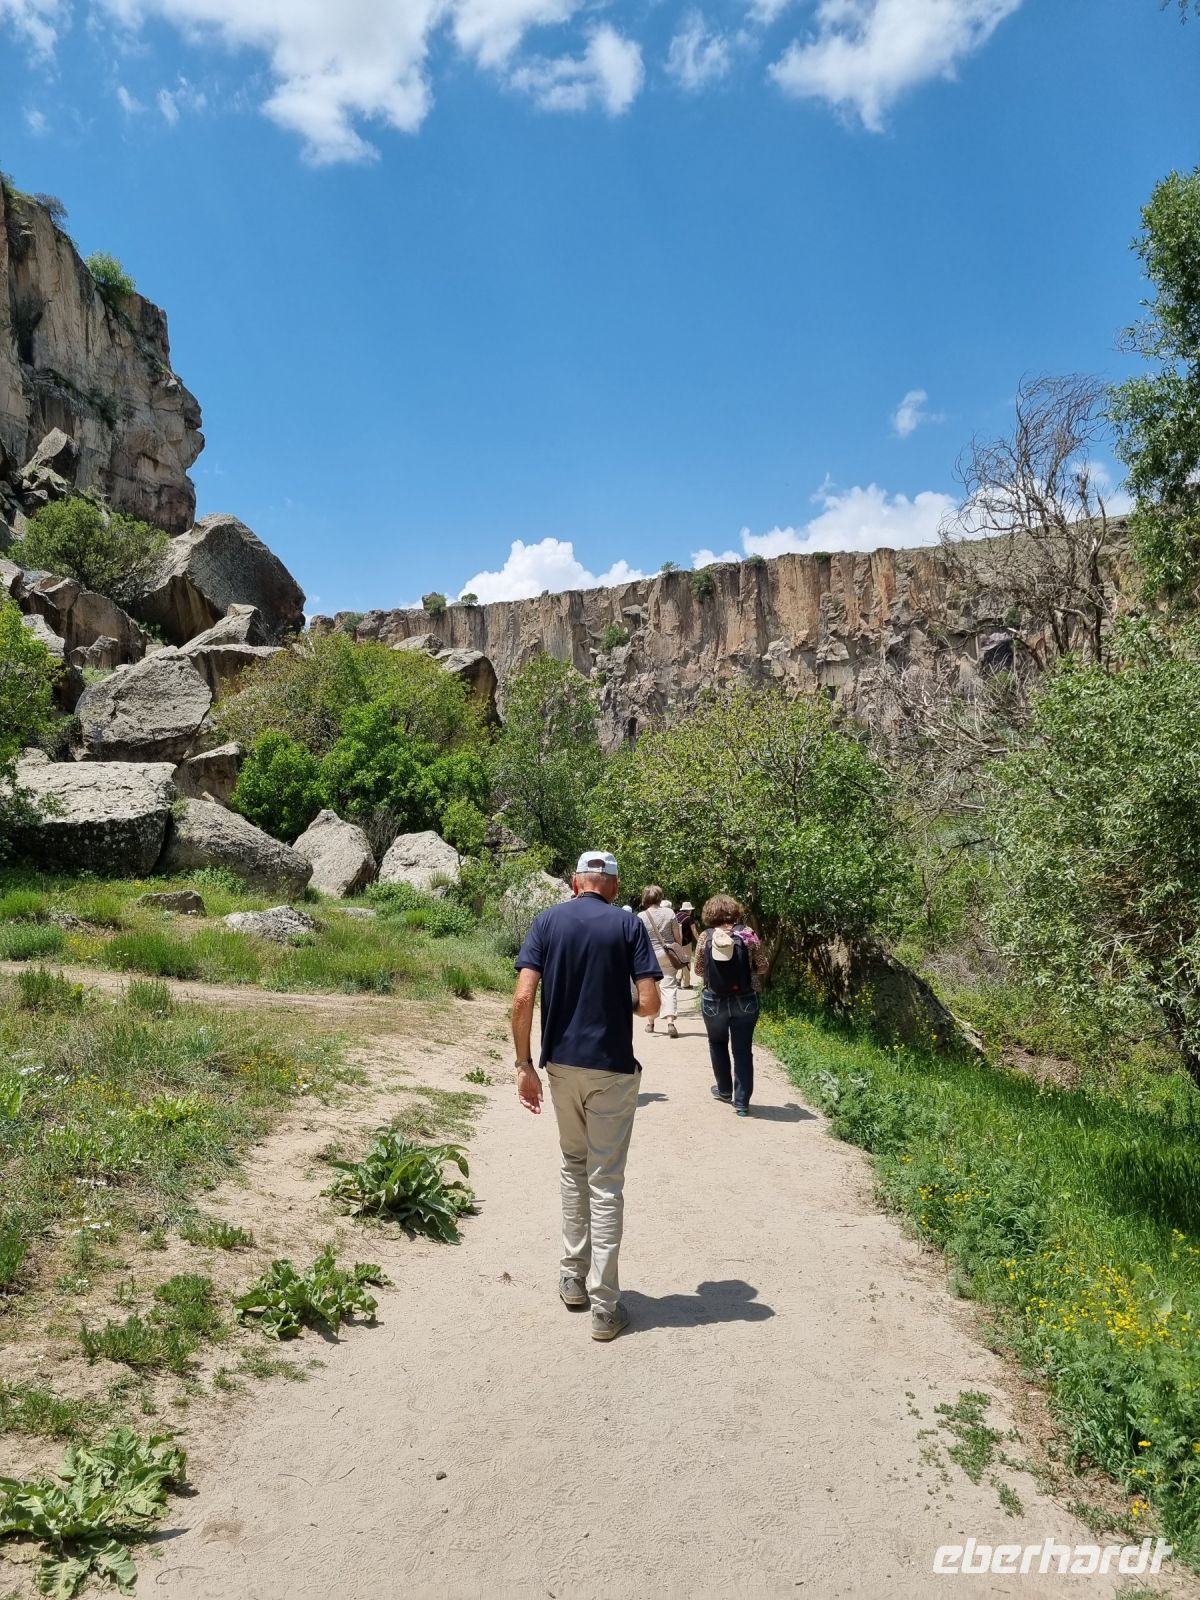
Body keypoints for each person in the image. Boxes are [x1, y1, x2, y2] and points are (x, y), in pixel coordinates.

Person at [512, 850, 662, 1342]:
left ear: (576, 881)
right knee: (605, 1180)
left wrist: (523, 1065)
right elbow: (649, 1004)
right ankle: (604, 1305)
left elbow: (522, 996)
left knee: (572, 1165)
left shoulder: (547, 921)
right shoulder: (627, 927)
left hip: (560, 1066)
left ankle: (572, 1279)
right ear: (614, 886)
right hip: (612, 1069)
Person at [693, 895, 769, 1117]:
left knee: (717, 1043)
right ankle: (742, 1103)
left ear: (710, 913)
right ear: (735, 911)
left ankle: (724, 1090)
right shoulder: (747, 934)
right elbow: (762, 966)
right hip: (745, 999)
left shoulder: (706, 936)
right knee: (743, 1050)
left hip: (713, 1000)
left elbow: (698, 970)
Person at [638, 885, 683, 1039]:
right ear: (660, 897)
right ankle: (670, 1021)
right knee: (669, 987)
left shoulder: (641, 916)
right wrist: (677, 948)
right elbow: (678, 937)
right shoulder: (669, 912)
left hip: (649, 956)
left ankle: (651, 1023)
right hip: (667, 954)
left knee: (653, 989)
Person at [676, 900, 697, 989]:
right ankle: (686, 984)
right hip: (686, 943)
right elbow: (694, 931)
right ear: (689, 910)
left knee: (679, 961)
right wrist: (700, 941)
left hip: (677, 943)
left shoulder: (676, 916)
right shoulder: (689, 918)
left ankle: (678, 978)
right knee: (687, 963)